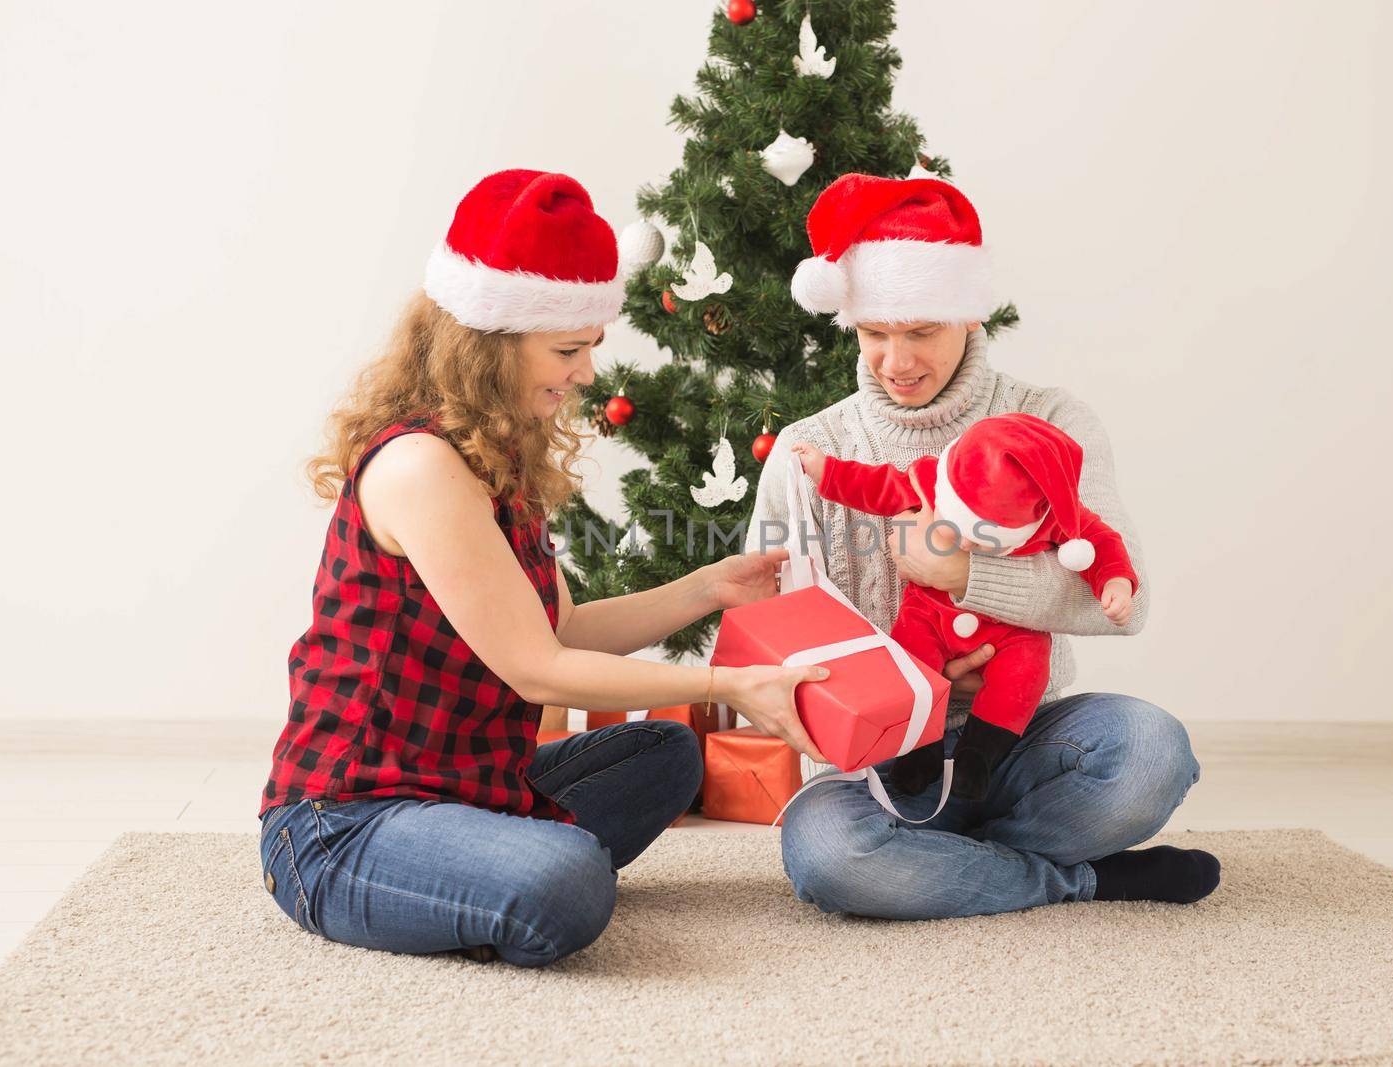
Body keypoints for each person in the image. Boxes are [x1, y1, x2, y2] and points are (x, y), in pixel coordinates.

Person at [258, 169, 830, 967]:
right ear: (487, 344)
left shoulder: (495, 452)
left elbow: (560, 629)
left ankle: (480, 866)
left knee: (666, 754)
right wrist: (724, 686)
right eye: (568, 350)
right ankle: (496, 872)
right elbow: (540, 669)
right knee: (566, 884)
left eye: (589, 348)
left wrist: (708, 588)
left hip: (469, 782)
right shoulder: (420, 466)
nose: (587, 375)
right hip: (345, 821)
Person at [749, 172, 1221, 919]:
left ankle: (950, 867)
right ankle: (1079, 878)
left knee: (1151, 750)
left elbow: (1126, 605)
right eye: (875, 334)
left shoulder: (1050, 420)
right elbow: (764, 629)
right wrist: (897, 686)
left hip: (1019, 738)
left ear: (970, 317)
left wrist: (964, 575)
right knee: (828, 854)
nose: (895, 362)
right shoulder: (811, 451)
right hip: (875, 765)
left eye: (922, 331)